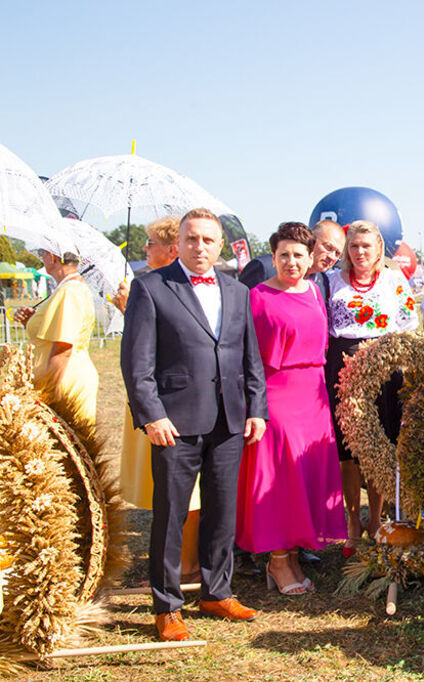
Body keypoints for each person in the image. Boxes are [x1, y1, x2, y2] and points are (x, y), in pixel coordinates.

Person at [121, 208, 267, 642]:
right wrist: (151, 415)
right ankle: (166, 606)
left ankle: (216, 591)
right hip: (174, 422)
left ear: (219, 244)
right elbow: (136, 364)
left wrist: (256, 407)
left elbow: (249, 357)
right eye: (191, 239)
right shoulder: (150, 288)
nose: (199, 247)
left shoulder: (237, 291)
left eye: (207, 240)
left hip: (230, 419)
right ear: (177, 244)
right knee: (171, 514)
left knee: (222, 511)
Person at [236, 222, 347, 594]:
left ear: (309, 256)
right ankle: (278, 560)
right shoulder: (257, 296)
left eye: (298, 254)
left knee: (306, 473)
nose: (291, 261)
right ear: (273, 257)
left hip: (313, 394)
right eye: (283, 254)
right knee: (282, 477)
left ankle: (295, 553)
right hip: (277, 391)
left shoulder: (316, 292)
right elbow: (246, 355)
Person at [114, 217, 204, 585]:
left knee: (185, 492)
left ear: (170, 249)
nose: (144, 249)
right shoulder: (146, 287)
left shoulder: (193, 288)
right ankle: (174, 563)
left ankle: (186, 563)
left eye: (150, 243)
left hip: (179, 405)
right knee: (166, 490)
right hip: (152, 403)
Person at [325, 220, 419, 555]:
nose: (360, 252)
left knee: (379, 446)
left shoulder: (394, 281)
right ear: (347, 250)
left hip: (384, 368)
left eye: (367, 246)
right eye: (354, 246)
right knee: (349, 450)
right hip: (343, 367)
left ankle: (375, 517)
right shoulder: (332, 281)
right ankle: (353, 520)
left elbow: (409, 326)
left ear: (379, 249)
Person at [13, 247, 98, 428]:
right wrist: (31, 321)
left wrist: (47, 396)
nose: (42, 259)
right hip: (61, 376)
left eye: (42, 254)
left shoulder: (69, 291)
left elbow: (62, 348)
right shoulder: (67, 288)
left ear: (52, 257)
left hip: (62, 380)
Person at [237, 219, 346, 295]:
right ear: (312, 240)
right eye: (328, 247)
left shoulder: (323, 283)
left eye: (337, 254)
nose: (332, 257)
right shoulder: (264, 268)